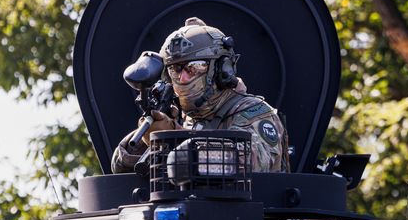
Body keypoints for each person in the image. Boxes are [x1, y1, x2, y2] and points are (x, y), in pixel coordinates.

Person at [111, 17, 289, 174]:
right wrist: (150, 137)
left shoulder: (253, 112)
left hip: (248, 211)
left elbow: (246, 163)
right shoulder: (182, 119)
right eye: (175, 69)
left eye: (192, 68)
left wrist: (173, 136)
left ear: (221, 69)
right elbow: (120, 167)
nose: (183, 78)